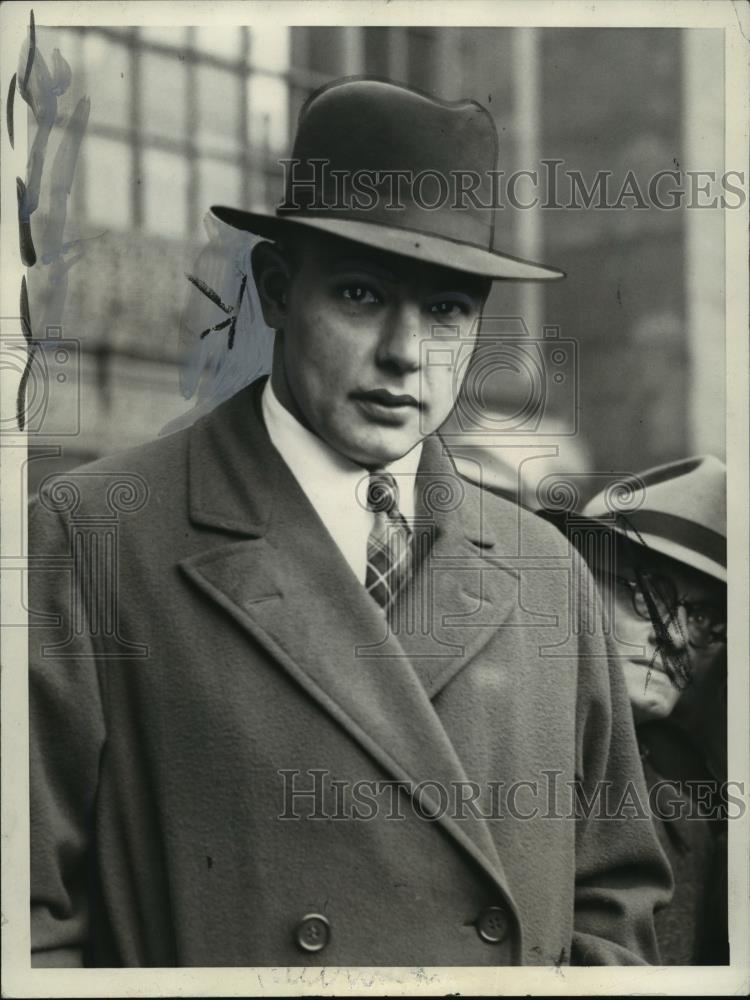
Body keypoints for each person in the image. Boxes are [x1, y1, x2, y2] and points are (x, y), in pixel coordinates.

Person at [29, 77, 671, 968]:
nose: (407, 353)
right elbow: (29, 922)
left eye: (447, 310)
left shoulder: (546, 573)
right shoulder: (95, 534)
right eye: (363, 295)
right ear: (277, 290)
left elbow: (615, 906)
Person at [570, 455, 728, 963]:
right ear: (573, 581)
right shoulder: (489, 768)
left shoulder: (690, 824)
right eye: (649, 596)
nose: (678, 638)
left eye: (703, 615)